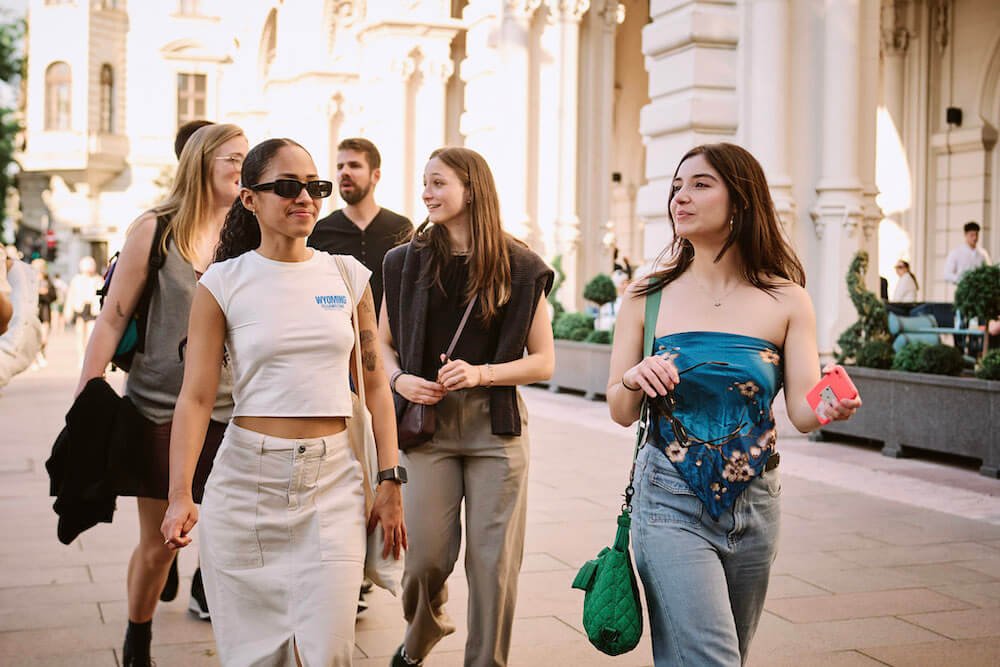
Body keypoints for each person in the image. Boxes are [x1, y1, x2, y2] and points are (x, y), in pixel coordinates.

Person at [607, 143, 860, 666]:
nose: (682, 196)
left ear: (741, 201)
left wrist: (831, 403)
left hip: (758, 502)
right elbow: (620, 408)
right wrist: (633, 378)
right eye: (677, 186)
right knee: (713, 658)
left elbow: (804, 412)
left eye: (701, 184)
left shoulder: (787, 299)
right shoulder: (646, 295)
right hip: (668, 497)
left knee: (723, 656)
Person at [161, 137, 405, 666]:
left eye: (314, 187)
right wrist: (181, 492)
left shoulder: (347, 276)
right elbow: (197, 397)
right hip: (247, 484)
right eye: (287, 187)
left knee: (329, 651)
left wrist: (390, 478)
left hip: (334, 485)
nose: (306, 198)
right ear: (249, 199)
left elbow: (375, 384)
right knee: (254, 658)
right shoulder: (222, 282)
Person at [74, 123, 246, 666]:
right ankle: (137, 636)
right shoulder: (155, 229)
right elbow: (114, 317)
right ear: (201, 164)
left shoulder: (249, 233)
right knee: (157, 545)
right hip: (159, 410)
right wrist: (85, 393)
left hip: (233, 411)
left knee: (230, 541)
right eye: (233, 159)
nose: (245, 168)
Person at [380, 146, 555, 667]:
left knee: (492, 568)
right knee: (424, 561)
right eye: (424, 183)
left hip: (495, 431)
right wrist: (400, 379)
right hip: (425, 429)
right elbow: (381, 344)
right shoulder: (403, 261)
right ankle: (421, 634)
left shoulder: (520, 265)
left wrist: (483, 373)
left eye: (438, 183)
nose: (426, 193)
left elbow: (544, 362)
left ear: (471, 189)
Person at [308, 137, 413, 315]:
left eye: (354, 165)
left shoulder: (401, 228)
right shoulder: (321, 231)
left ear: (375, 175)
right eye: (340, 166)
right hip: (341, 338)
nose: (344, 172)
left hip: (392, 339)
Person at [65, 256, 103, 363]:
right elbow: (71, 296)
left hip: (93, 308)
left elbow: (103, 296)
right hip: (80, 307)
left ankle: (88, 355)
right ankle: (81, 355)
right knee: (80, 333)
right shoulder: (76, 279)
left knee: (91, 334)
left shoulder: (98, 279)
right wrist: (68, 311)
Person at [31, 258, 56, 367]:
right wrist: (38, 292)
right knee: (34, 337)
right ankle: (35, 358)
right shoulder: (29, 279)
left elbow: (54, 295)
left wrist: (44, 293)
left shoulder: (47, 280)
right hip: (33, 311)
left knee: (44, 337)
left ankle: (41, 352)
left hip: (45, 311)